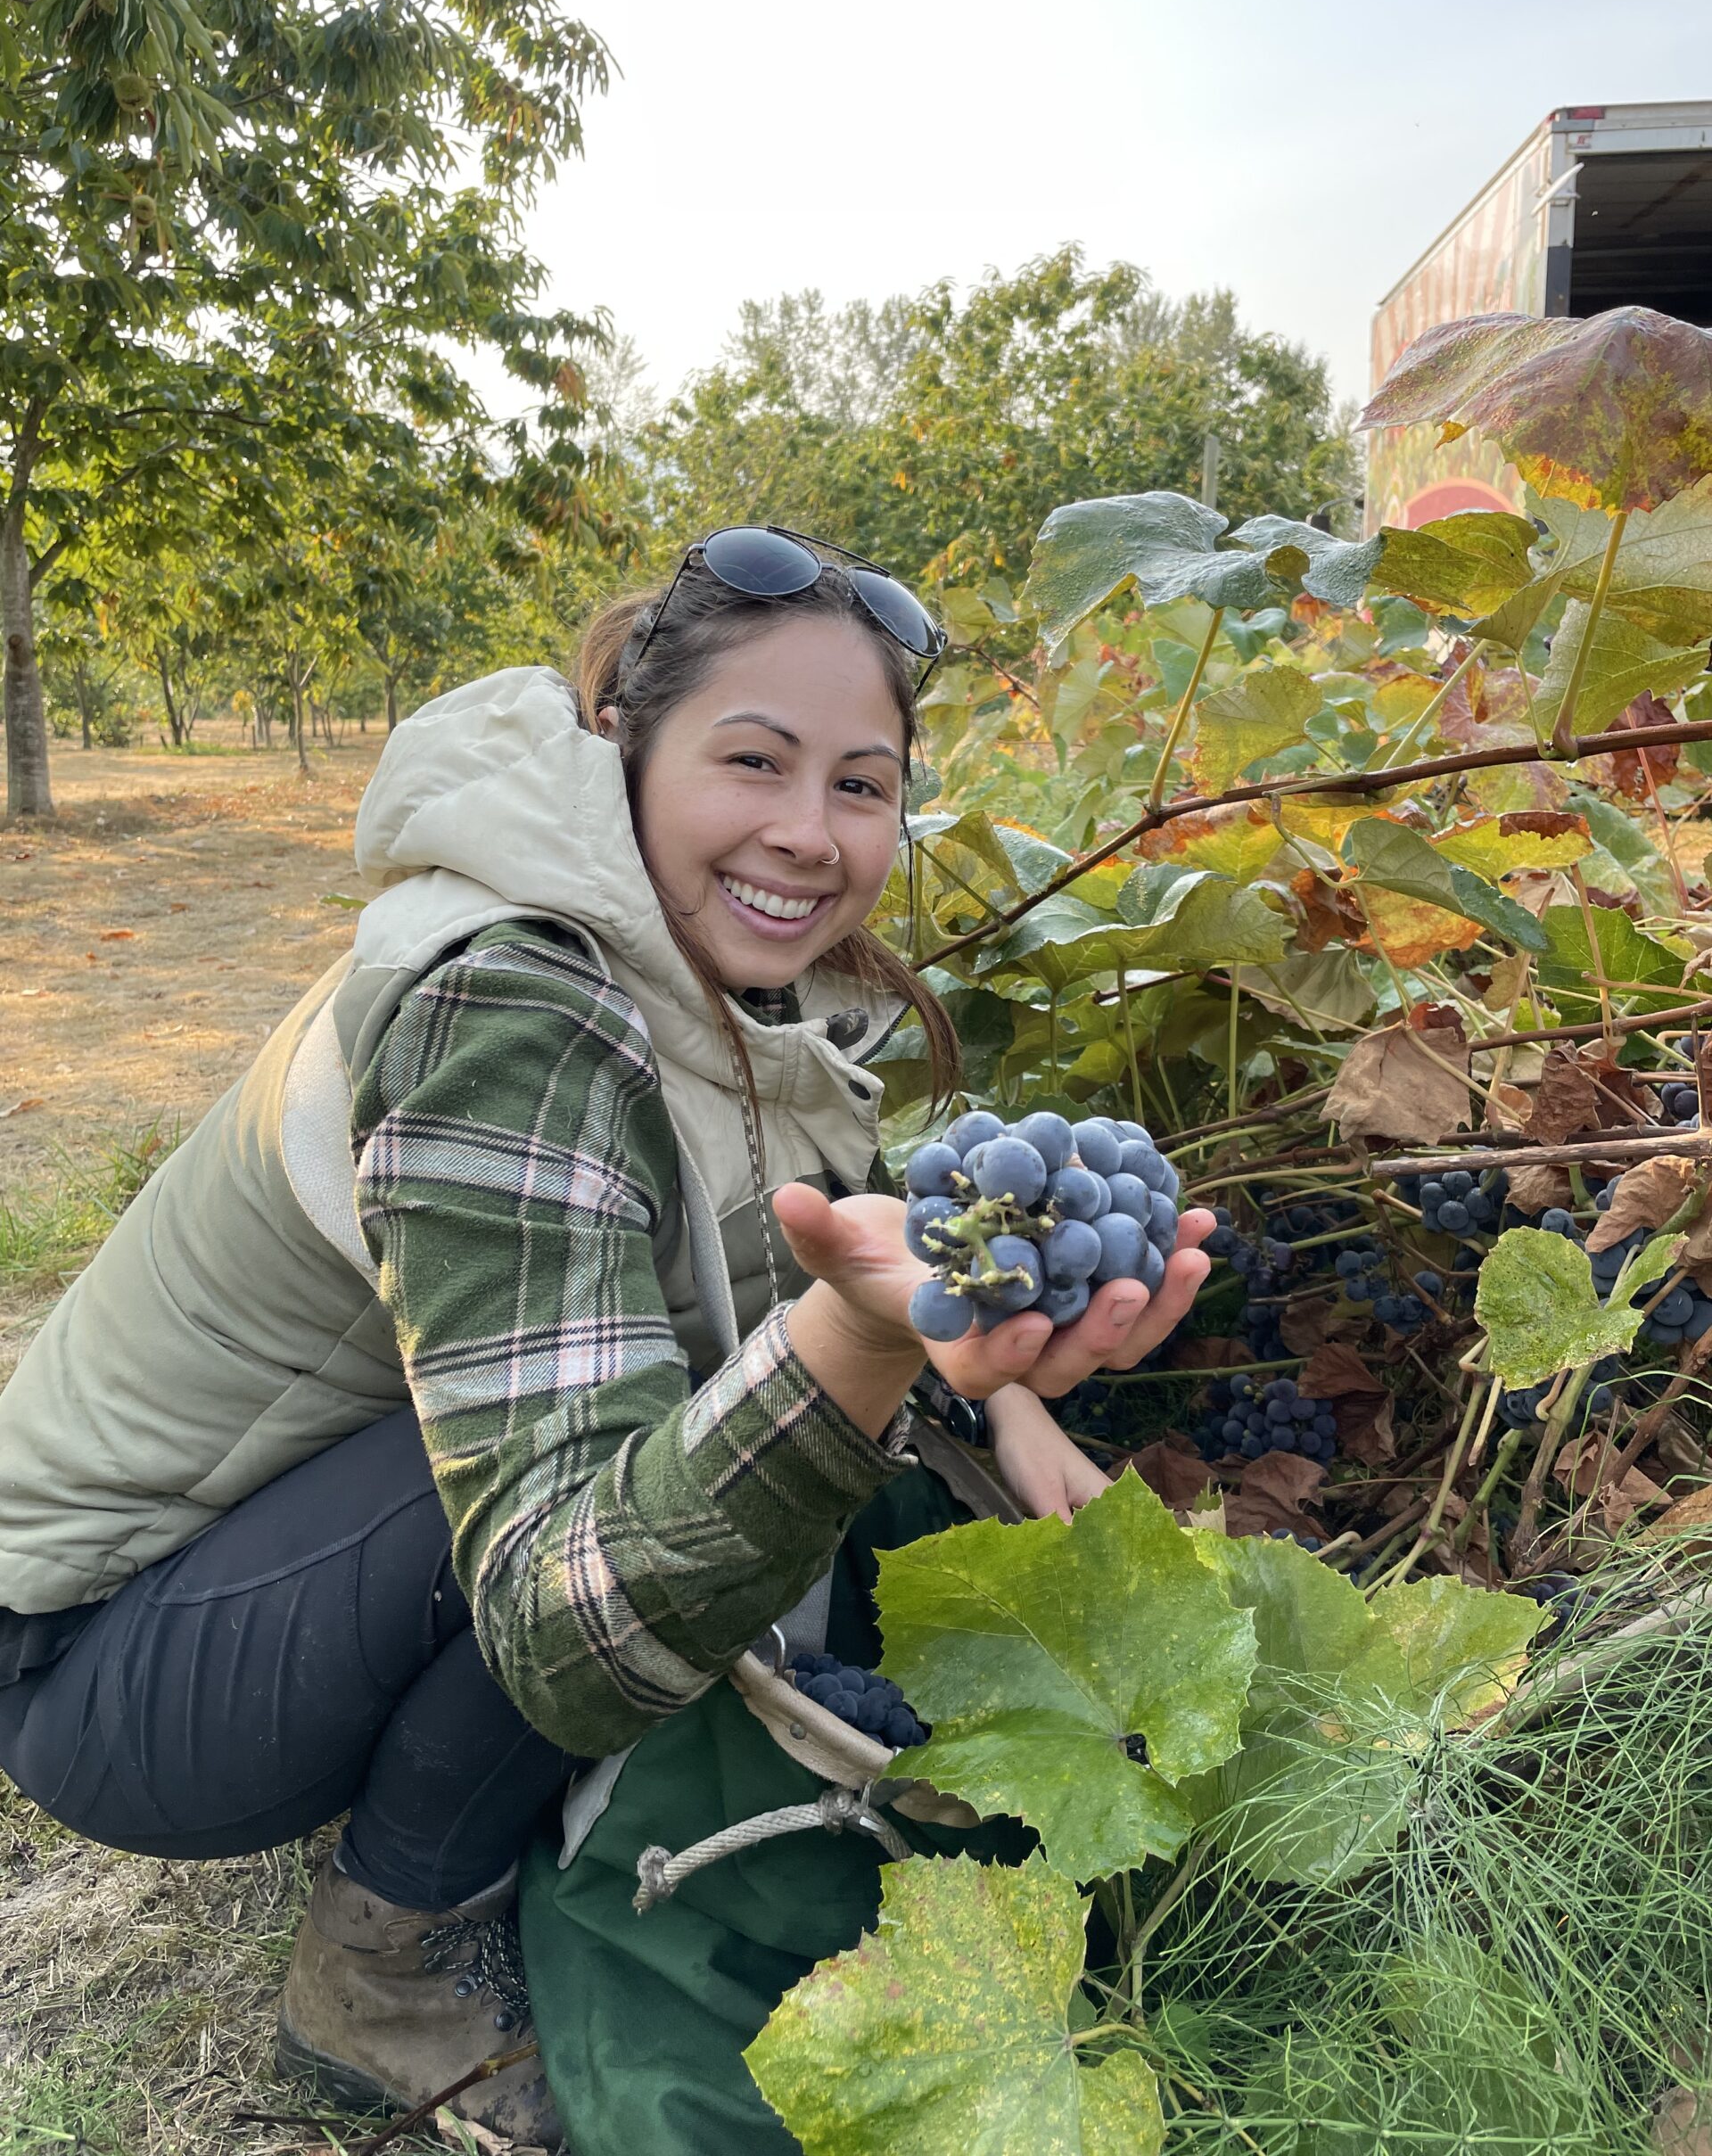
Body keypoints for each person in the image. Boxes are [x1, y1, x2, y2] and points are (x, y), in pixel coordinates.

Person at [0, 527, 1213, 2145]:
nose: (810, 830)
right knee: (611, 1499)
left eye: (861, 784)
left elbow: (782, 1237)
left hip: (263, 1573)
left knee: (681, 1435)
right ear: (627, 749)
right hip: (108, 1666)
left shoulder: (702, 967)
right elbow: (570, 1608)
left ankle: (421, 1803)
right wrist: (858, 1355)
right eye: (754, 761)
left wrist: (1006, 1407)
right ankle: (382, 1960)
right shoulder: (510, 1008)